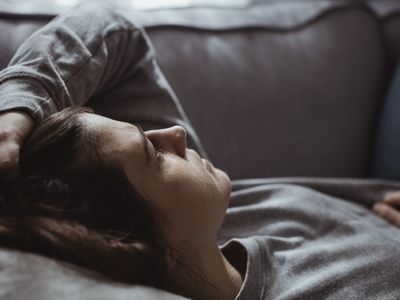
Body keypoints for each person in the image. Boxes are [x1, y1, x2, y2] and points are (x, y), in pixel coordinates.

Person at [1, 4, 400, 300]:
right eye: (153, 154)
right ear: (127, 244)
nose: (174, 134)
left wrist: (15, 112)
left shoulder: (214, 220)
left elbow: (112, 32)